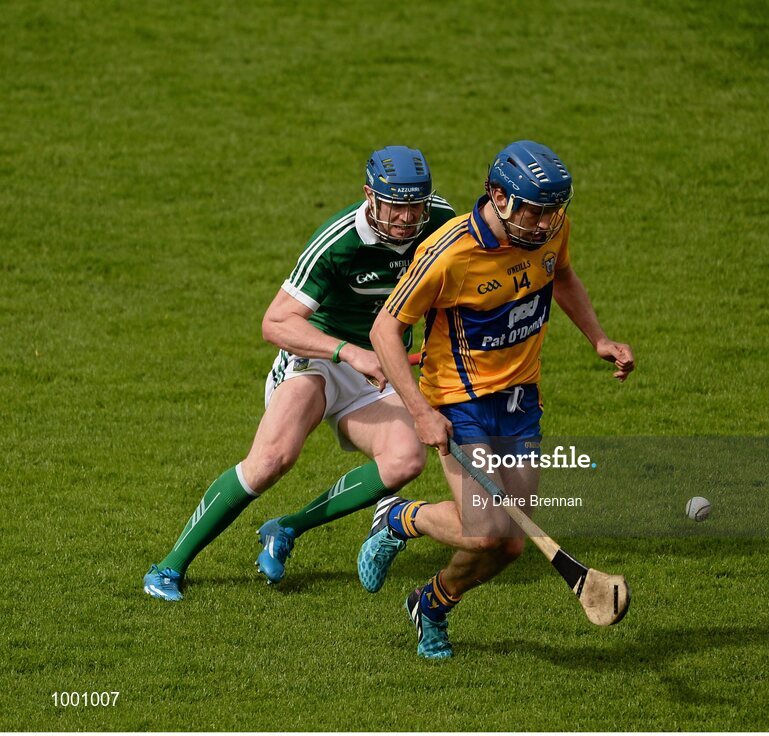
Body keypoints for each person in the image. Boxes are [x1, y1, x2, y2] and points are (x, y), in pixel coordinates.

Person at [143, 146, 456, 601]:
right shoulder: (337, 242)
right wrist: (348, 353)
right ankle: (168, 567)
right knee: (271, 461)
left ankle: (287, 528)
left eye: (416, 207)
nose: (407, 220)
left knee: (406, 461)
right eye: (397, 206)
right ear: (370, 196)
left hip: (381, 368)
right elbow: (276, 322)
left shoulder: (442, 222)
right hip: (319, 358)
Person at [362, 140, 635, 658]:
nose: (545, 222)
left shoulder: (551, 233)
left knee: (511, 543)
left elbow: (564, 277)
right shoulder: (448, 255)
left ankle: (432, 605)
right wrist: (421, 412)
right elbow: (383, 330)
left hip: (519, 401)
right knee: (487, 532)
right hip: (457, 401)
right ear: (498, 196)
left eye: (554, 211)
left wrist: (598, 338)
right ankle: (401, 517)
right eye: (535, 210)